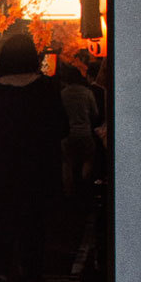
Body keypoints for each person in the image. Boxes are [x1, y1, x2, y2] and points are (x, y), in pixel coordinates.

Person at [0, 34, 68, 282]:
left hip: (4, 166)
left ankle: (2, 272)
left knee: (5, 218)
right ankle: (32, 275)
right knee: (34, 221)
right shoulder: (45, 88)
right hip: (37, 167)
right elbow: (62, 127)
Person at [59, 64, 99, 198]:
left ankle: (68, 193)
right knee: (88, 159)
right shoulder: (87, 92)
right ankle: (84, 187)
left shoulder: (63, 94)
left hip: (68, 134)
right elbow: (95, 113)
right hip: (85, 132)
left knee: (67, 163)